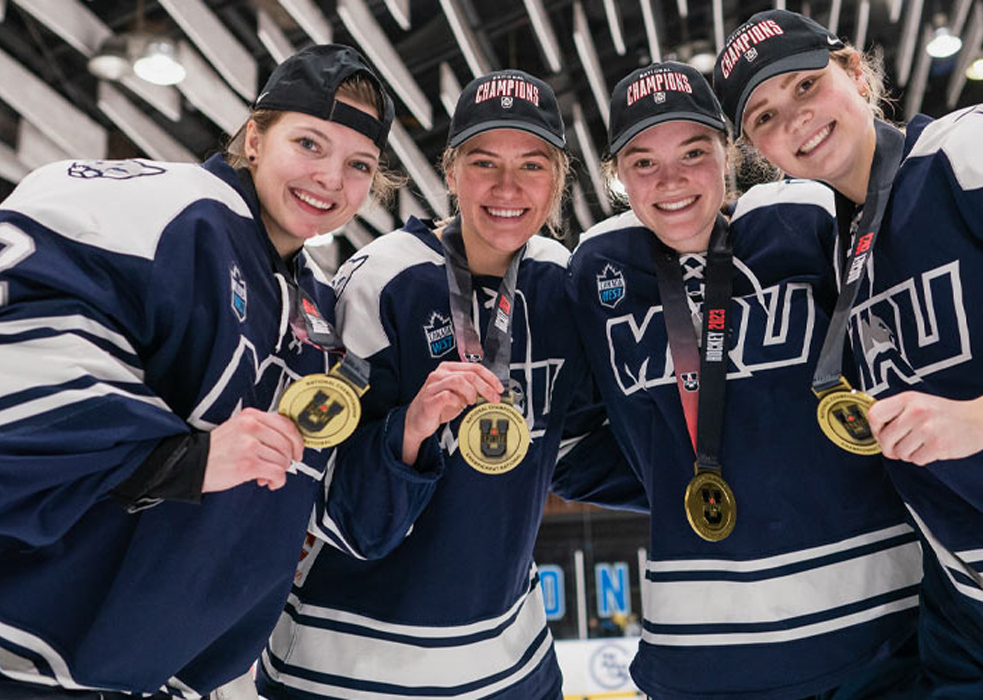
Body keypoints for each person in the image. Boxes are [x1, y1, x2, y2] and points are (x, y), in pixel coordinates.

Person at [714, 8, 983, 699]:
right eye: (762, 116)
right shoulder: (841, 243)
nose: (791, 119)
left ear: (855, 71)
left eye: (803, 85)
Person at [0, 44, 397, 697]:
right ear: (254, 136)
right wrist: (179, 461)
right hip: (25, 658)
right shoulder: (175, 210)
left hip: (160, 677)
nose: (332, 179)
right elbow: (21, 349)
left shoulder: (318, 304)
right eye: (310, 143)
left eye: (360, 165)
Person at [257, 69, 645, 700]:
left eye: (533, 165)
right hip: (349, 670)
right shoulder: (383, 282)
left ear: (559, 179)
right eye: (483, 162)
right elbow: (336, 511)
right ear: (451, 171)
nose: (507, 188)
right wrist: (410, 430)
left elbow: (567, 452)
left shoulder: (560, 282)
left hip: (509, 666)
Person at [567, 61, 921, 699]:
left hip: (885, 633)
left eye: (694, 152)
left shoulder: (804, 218)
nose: (671, 180)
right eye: (642, 162)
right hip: (706, 657)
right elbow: (567, 444)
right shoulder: (597, 269)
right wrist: (681, 471)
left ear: (730, 153)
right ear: (616, 176)